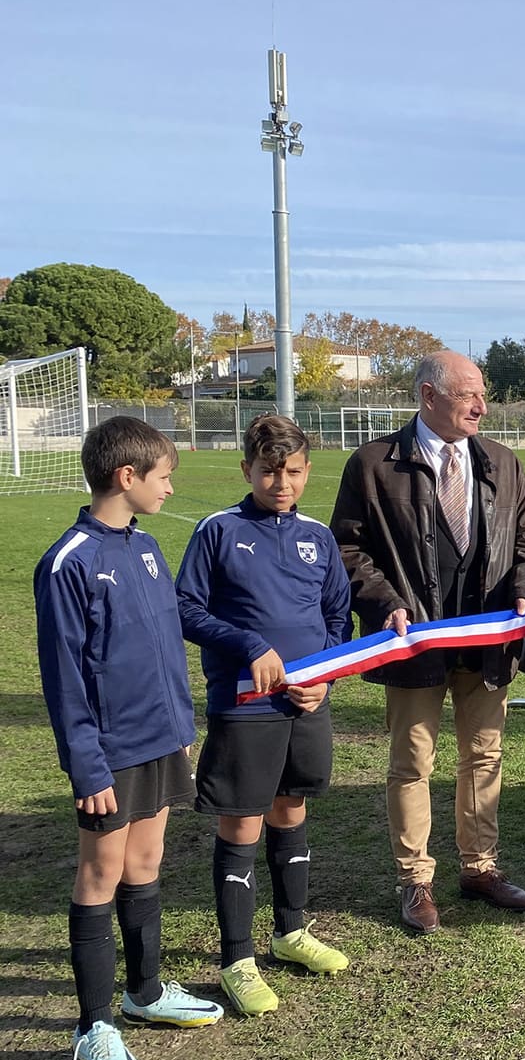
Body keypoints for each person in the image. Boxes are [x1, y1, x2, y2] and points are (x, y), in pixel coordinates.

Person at [36, 417, 224, 1060]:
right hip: (109, 753)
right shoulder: (68, 562)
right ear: (128, 476)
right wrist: (87, 767)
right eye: (165, 476)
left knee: (146, 862)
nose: (170, 489)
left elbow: (163, 650)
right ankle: (93, 1027)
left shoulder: (143, 548)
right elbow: (64, 680)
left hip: (161, 740)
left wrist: (182, 728)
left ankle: (143, 992)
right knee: (101, 873)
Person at [331, 351, 525, 934]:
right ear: (429, 396)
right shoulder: (375, 464)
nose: (481, 405)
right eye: (468, 394)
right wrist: (387, 603)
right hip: (414, 643)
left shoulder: (501, 461)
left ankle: (479, 868)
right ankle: (415, 881)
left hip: (486, 641)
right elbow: (347, 549)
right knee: (412, 762)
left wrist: (524, 590)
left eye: (482, 393)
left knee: (484, 756)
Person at [176, 415, 352, 1016]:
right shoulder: (218, 530)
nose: (283, 482)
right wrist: (250, 646)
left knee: (291, 806)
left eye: (295, 471)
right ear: (247, 469)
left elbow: (337, 618)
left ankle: (291, 931)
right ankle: (237, 960)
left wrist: (323, 675)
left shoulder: (318, 536)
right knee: (243, 822)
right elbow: (185, 608)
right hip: (244, 703)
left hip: (305, 702)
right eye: (270, 471)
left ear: (307, 471)